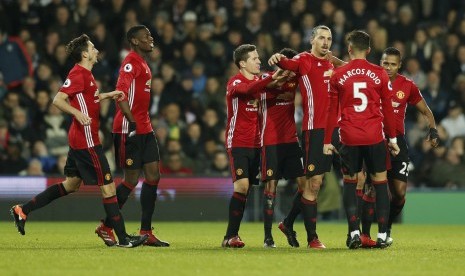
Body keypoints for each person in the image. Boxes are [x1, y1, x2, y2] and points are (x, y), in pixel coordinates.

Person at [10, 34, 147, 248]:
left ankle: (23, 210)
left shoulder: (87, 75)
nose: (96, 50)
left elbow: (86, 98)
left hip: (79, 140)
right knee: (108, 188)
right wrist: (77, 113)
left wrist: (106, 95)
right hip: (87, 141)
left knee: (71, 184)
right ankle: (123, 239)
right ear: (85, 54)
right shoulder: (79, 74)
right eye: (92, 48)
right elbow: (58, 99)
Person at [323, 30, 400, 249]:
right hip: (374, 135)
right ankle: (383, 234)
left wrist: (327, 140)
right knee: (380, 182)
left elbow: (331, 110)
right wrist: (392, 138)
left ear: (349, 49)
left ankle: (354, 232)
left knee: (350, 183)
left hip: (349, 136)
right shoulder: (380, 73)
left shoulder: (338, 74)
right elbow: (388, 109)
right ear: (369, 50)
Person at [95, 25, 169, 247]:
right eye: (146, 36)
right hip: (128, 129)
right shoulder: (130, 63)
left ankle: (146, 231)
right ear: (135, 41)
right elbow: (120, 93)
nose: (151, 37)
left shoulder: (144, 63)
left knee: (154, 176)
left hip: (145, 128)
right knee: (130, 181)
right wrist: (132, 121)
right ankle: (106, 226)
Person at [360, 47, 439, 246]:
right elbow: (348, 67)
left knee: (399, 192)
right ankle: (366, 235)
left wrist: (433, 129)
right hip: (374, 138)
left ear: (399, 65)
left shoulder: (408, 85)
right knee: (370, 188)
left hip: (397, 141)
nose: (388, 67)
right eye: (385, 63)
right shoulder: (370, 79)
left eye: (393, 64)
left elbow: (426, 110)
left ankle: (386, 227)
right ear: (380, 62)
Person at [267, 25, 337, 249]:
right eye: (321, 38)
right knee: (314, 184)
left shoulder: (331, 63)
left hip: (333, 131)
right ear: (312, 40)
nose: (325, 42)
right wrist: (278, 58)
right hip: (314, 130)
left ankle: (288, 223)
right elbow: (287, 64)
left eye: (329, 39)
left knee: (317, 183)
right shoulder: (303, 60)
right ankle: (312, 239)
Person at [222, 44, 283, 248]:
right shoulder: (235, 82)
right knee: (242, 185)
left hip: (258, 144)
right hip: (238, 142)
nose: (259, 61)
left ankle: (232, 235)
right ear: (242, 63)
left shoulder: (260, 81)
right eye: (254, 58)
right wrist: (270, 79)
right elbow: (248, 89)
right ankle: (230, 236)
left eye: (258, 58)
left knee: (245, 191)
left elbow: (274, 85)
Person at [259, 48, 306, 248]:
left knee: (306, 186)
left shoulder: (295, 80)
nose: (289, 71)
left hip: (291, 140)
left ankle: (288, 223)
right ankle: (268, 237)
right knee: (271, 188)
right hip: (270, 140)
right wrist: (278, 76)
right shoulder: (266, 79)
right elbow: (262, 89)